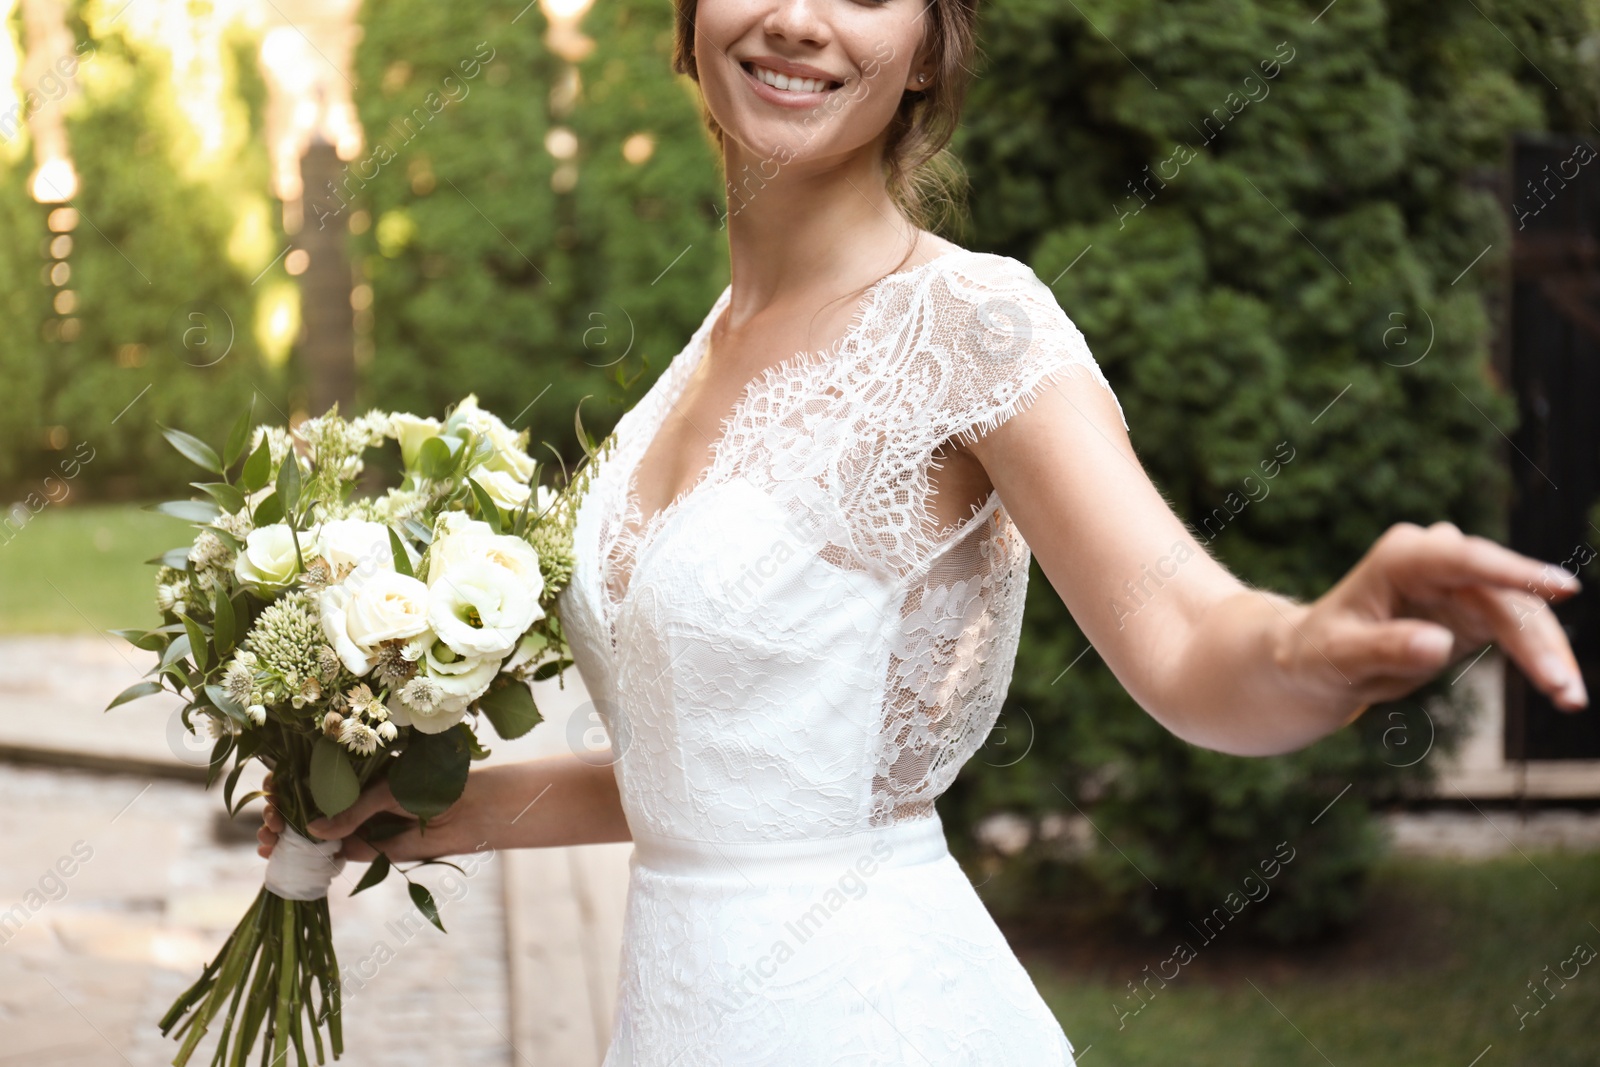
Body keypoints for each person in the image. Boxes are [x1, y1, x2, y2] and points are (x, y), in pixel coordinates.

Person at [262, 0, 1588, 1060]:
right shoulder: (693, 357)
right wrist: (433, 812)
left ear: (927, 51)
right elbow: (724, 782)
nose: (796, 19)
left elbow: (1185, 637)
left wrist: (1310, 646)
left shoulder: (973, 324)